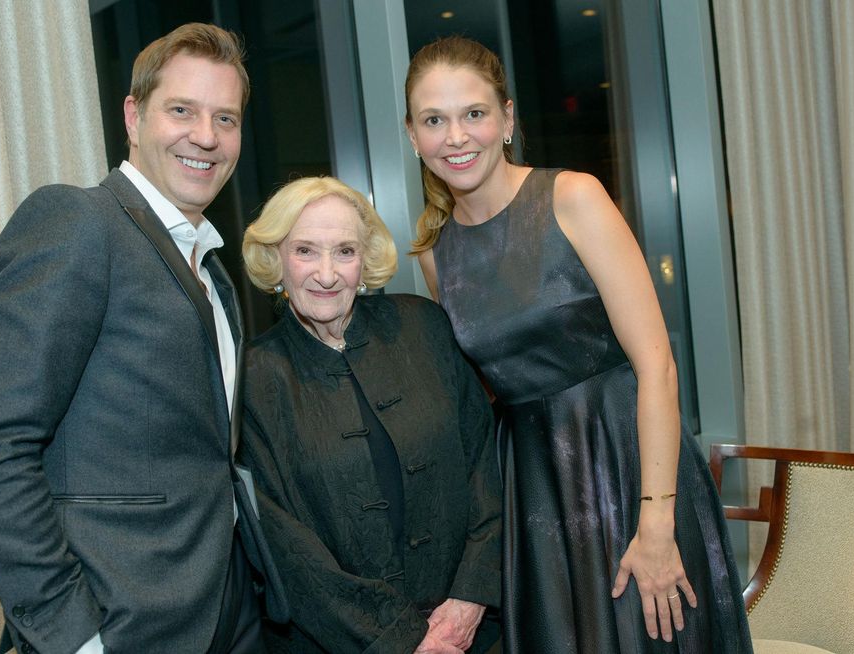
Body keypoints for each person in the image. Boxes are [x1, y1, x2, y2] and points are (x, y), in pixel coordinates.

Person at [404, 36, 752, 653]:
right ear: (413, 136)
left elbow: (657, 365)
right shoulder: (436, 255)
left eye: (474, 114)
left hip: (629, 470)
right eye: (435, 120)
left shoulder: (572, 197)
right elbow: (478, 399)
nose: (456, 137)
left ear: (507, 119)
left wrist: (656, 522)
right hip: (534, 494)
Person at [0, 23, 286, 654]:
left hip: (225, 610)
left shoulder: (211, 267)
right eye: (181, 110)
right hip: (120, 620)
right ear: (134, 116)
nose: (206, 137)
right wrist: (73, 635)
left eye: (226, 118)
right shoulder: (78, 222)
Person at [238, 176, 502, 653]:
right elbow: (286, 549)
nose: (326, 273)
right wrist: (405, 642)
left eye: (344, 251)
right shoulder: (252, 379)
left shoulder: (423, 326)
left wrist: (471, 596)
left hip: (470, 633)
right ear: (275, 260)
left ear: (365, 262)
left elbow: (486, 462)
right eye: (305, 251)